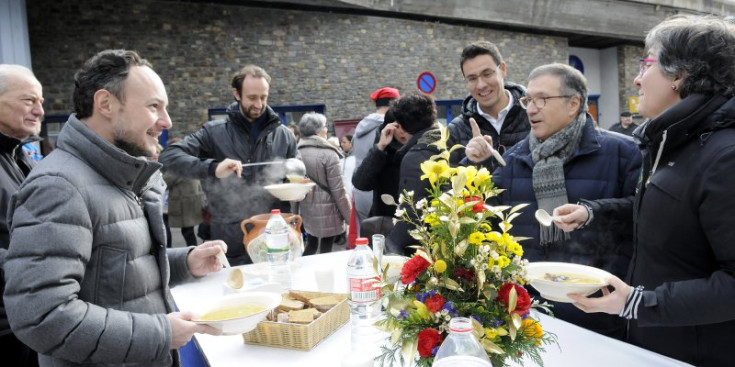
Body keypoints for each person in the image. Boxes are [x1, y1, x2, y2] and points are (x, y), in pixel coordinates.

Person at [3, 49, 226, 367]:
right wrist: (160, 332)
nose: (167, 121)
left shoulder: (121, 175)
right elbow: (42, 317)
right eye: (154, 107)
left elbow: (115, 267)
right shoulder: (59, 186)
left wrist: (186, 262)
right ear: (105, 104)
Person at [552, 16, 735, 367]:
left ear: (680, 75)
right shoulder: (673, 142)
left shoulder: (725, 155)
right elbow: (669, 213)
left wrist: (638, 302)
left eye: (645, 63)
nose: (636, 79)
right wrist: (594, 212)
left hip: (698, 353)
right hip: (653, 340)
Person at [468, 63, 641, 339]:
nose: (531, 109)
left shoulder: (623, 151)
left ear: (573, 104)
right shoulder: (514, 157)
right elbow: (482, 214)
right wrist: (473, 164)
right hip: (529, 309)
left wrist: (591, 212)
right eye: (528, 100)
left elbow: (642, 214)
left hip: (596, 310)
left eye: (542, 100)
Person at [159, 64, 299, 265]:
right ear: (236, 94)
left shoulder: (284, 134)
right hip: (230, 237)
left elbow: (296, 169)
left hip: (275, 233)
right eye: (252, 98)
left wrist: (298, 186)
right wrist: (212, 168)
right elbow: (169, 156)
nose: (259, 104)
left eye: (263, 97)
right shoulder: (213, 132)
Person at [0, 64, 44, 367]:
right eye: (28, 101)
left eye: (40, 101)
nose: (40, 110)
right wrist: (39, 269)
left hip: (31, 315)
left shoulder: (20, 154)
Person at [447, 41, 530, 170]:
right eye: (472, 78)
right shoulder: (455, 131)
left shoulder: (533, 113)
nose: (481, 85)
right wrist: (471, 162)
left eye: (487, 74)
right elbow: (448, 185)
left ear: (503, 69)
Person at [384, 93, 443, 255]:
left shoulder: (415, 156)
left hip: (427, 248)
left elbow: (413, 212)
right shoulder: (449, 141)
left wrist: (393, 242)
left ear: (401, 127)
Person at [293, 113, 351, 255]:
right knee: (327, 246)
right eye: (324, 126)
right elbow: (339, 191)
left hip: (306, 209)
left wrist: (294, 214)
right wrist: (350, 218)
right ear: (318, 131)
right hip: (328, 210)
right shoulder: (329, 153)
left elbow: (294, 188)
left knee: (311, 243)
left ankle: (304, 271)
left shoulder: (296, 153)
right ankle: (323, 273)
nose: (326, 129)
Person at [351, 87, 400, 234]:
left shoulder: (361, 125)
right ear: (393, 103)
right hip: (377, 191)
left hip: (359, 190)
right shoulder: (387, 126)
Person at [163, 138, 205, 248]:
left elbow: (165, 181)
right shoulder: (190, 159)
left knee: (186, 231)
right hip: (191, 200)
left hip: (185, 202)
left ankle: (193, 250)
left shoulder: (179, 163)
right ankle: (194, 248)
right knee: (188, 231)